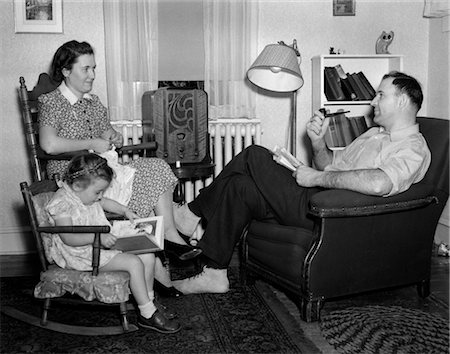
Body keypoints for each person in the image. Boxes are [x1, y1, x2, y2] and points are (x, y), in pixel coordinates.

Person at [172, 71, 432, 294]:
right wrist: (318, 142)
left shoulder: (412, 147)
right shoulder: (374, 135)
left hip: (331, 213)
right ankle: (215, 273)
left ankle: (191, 213)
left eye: (381, 95)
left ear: (401, 101)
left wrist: (316, 178)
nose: (373, 100)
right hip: (316, 198)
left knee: (254, 155)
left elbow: (380, 183)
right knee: (240, 186)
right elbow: (329, 164)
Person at [37, 40, 201, 295]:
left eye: (94, 68)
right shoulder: (52, 102)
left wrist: (114, 137)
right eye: (86, 69)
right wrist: (93, 143)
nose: (92, 75)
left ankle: (168, 235)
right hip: (78, 180)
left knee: (155, 166)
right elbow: (48, 145)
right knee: (144, 180)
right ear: (66, 71)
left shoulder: (93, 102)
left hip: (101, 170)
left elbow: (107, 133)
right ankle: (162, 252)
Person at [44, 153, 181, 333]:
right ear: (77, 185)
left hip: (98, 244)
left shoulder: (84, 193)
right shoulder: (62, 202)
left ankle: (148, 301)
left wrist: (126, 211)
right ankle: (147, 313)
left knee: (147, 255)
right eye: (97, 192)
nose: (99, 196)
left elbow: (105, 202)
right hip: (81, 253)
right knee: (133, 262)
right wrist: (97, 238)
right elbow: (68, 237)